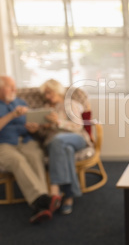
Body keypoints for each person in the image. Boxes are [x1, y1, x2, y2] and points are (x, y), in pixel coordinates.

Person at [0, 75, 61, 223]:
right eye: (10, 86)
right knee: (17, 160)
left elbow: (32, 121)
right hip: (4, 144)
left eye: (14, 86)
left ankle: (41, 204)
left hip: (26, 139)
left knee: (35, 155)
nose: (15, 89)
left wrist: (34, 128)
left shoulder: (21, 102)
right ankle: (42, 200)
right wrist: (12, 115)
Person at [26, 79, 91, 215]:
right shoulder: (44, 109)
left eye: (50, 92)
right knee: (63, 148)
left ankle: (54, 190)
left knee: (57, 140)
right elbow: (44, 135)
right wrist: (39, 128)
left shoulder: (70, 104)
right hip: (56, 144)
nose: (48, 96)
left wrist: (58, 122)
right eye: (46, 94)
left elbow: (78, 127)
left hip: (76, 138)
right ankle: (69, 196)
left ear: (58, 90)